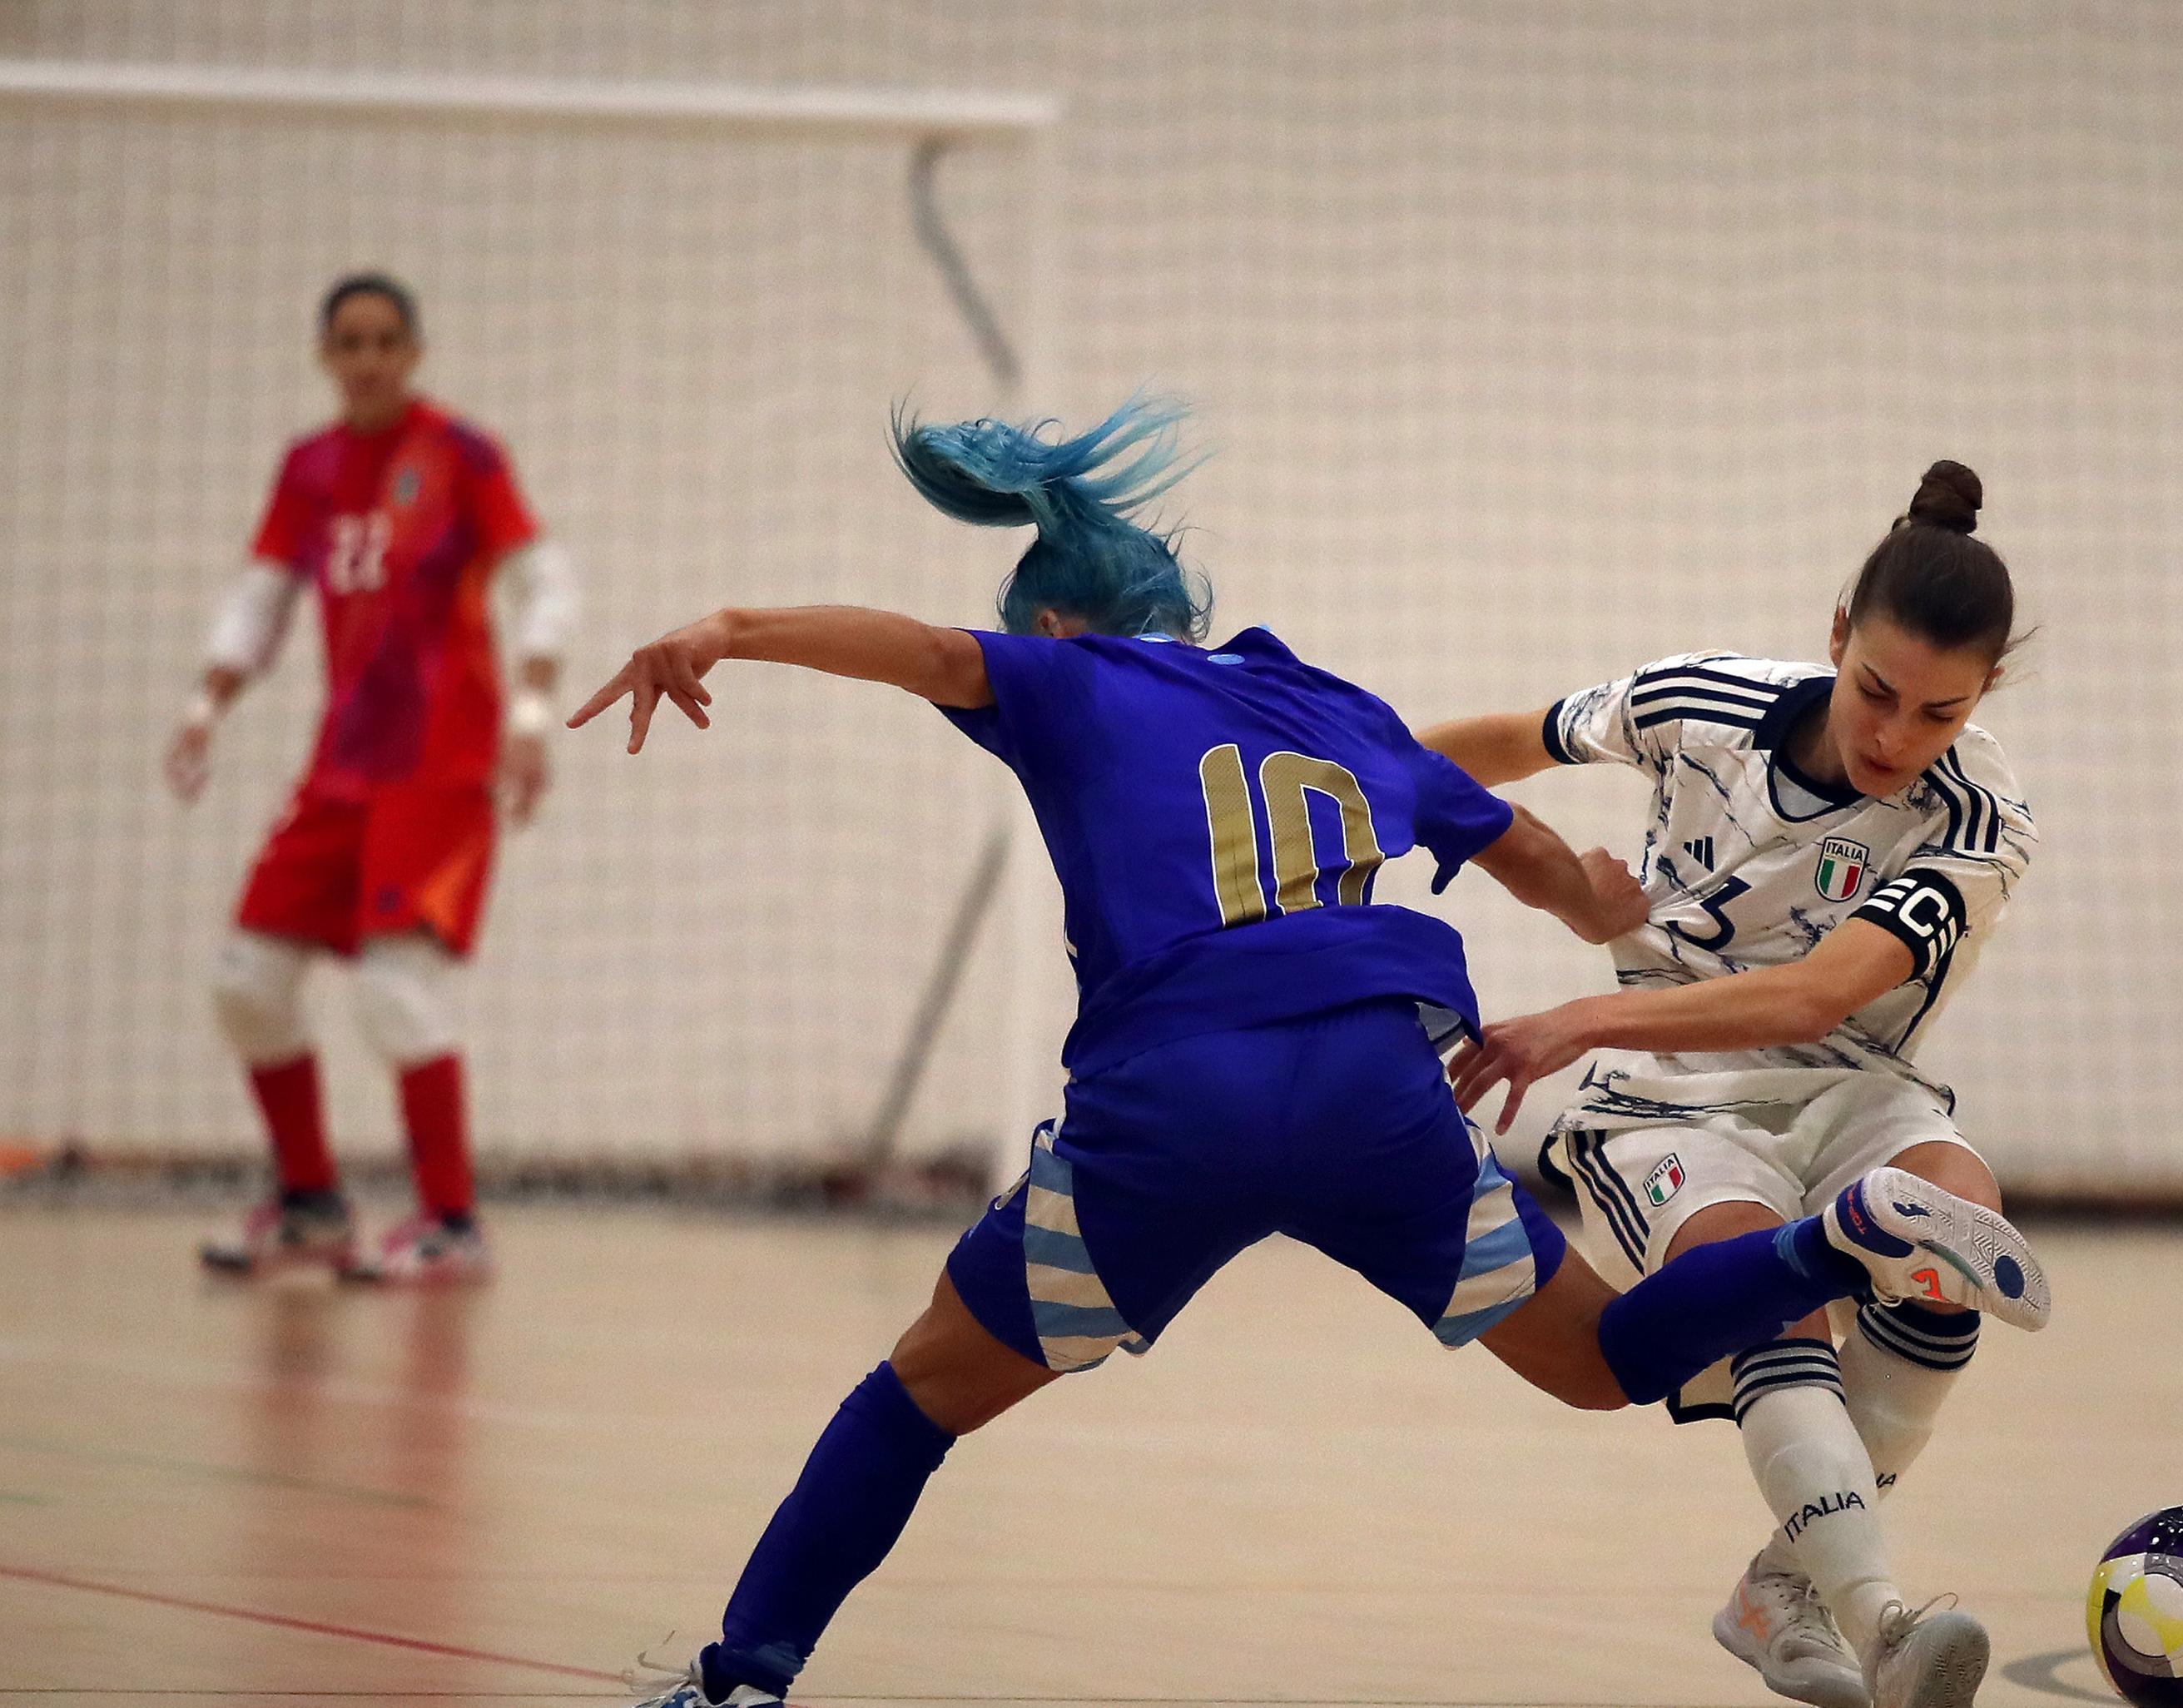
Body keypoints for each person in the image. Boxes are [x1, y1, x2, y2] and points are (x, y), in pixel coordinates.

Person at [578, 400, 2052, 1708]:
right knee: (1602, 1360)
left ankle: (738, 1678)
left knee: (917, 1394)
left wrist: (728, 626)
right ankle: (1837, 1240)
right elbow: (1523, 840)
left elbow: (920, 653)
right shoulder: (1336, 708)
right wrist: (1598, 905)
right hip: (1377, 1087)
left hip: (1181, 1094)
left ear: (1057, 630)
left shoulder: (1070, 679)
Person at [1422, 461, 2040, 1708]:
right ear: (1836, 636)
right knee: (1773, 1299)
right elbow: (1500, 745)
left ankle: (1779, 1591)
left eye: (1940, 713)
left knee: (1955, 1241)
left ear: (1981, 700)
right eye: (1877, 692)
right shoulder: (1700, 703)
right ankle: (1880, 1622)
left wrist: (1571, 1018)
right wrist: (1332, 782)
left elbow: (1816, 996)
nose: (1896, 738)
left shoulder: (1980, 816)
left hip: (1854, 1080)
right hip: (1666, 1091)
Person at [170, 272, 578, 1284]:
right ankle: (310, 1206)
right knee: (246, 984)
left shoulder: (463, 455)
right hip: (340, 771)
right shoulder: (308, 467)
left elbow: (545, 583)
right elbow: (263, 596)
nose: (368, 359)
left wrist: (530, 719)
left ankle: (452, 1222)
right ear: (325, 356)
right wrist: (206, 702)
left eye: (386, 340)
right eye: (349, 342)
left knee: (397, 993)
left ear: (414, 351)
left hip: (440, 769)